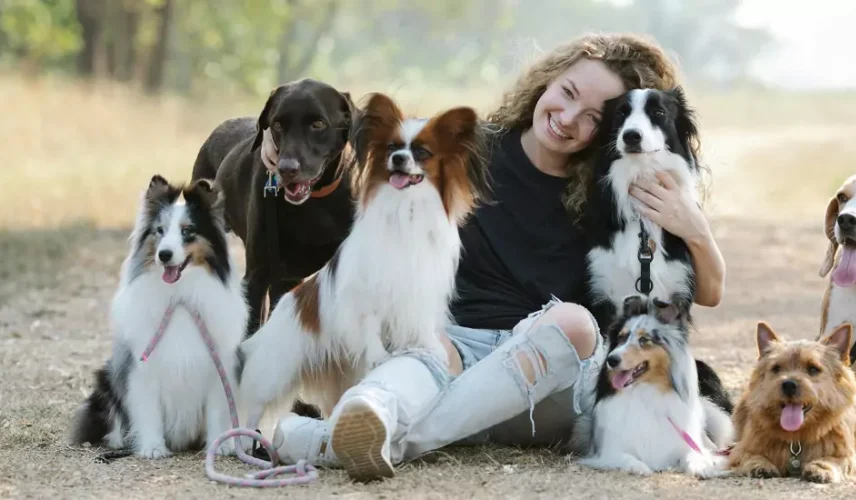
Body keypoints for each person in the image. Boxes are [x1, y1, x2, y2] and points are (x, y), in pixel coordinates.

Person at [265, 32, 726, 481]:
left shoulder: (611, 192)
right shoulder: (468, 150)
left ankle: (330, 441)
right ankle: (370, 420)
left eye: (590, 116)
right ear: (547, 80)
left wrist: (696, 228)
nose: (566, 118)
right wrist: (272, 144)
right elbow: (373, 141)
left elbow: (707, 291)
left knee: (575, 324)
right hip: (452, 351)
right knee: (424, 344)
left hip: (547, 374)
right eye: (566, 93)